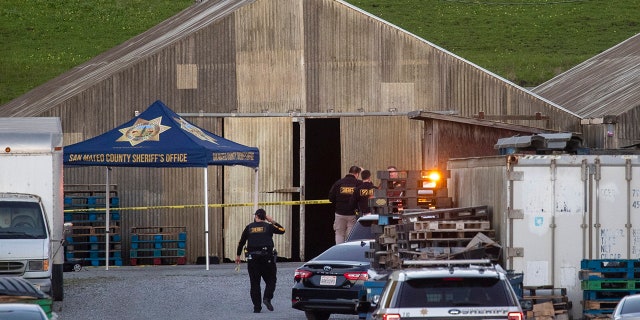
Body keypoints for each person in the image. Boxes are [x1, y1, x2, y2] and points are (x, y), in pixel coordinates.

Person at [235, 208, 286, 313]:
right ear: (264, 217)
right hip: (267, 258)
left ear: (256, 216)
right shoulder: (269, 226)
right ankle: (267, 298)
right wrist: (272, 221)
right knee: (271, 280)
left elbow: (241, 242)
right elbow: (282, 230)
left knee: (255, 283)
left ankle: (257, 308)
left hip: (252, 259)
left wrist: (238, 255)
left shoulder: (249, 227)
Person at [328, 165, 362, 244]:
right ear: (357, 174)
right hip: (352, 214)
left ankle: (340, 253)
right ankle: (349, 253)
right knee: (351, 236)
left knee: (339, 234)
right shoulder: (358, 183)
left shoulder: (339, 183)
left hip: (340, 213)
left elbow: (330, 198)